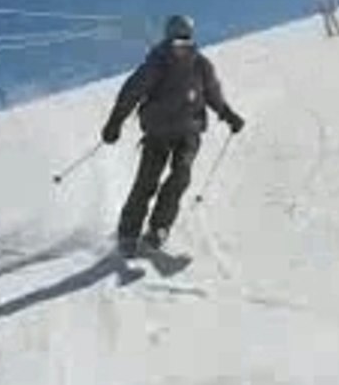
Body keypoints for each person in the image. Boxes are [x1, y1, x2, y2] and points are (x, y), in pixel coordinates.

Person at [101, 14, 245, 255]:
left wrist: (229, 115)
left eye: (185, 37)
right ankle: (128, 232)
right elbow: (133, 90)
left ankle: (158, 227)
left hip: (188, 131)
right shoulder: (158, 61)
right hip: (158, 131)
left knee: (181, 175)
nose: (182, 42)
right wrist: (115, 121)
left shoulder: (201, 64)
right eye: (179, 37)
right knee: (148, 180)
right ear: (170, 36)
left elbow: (212, 94)